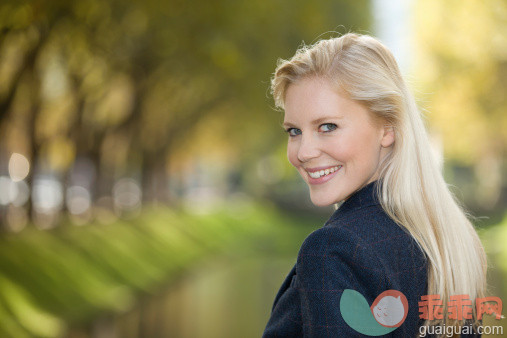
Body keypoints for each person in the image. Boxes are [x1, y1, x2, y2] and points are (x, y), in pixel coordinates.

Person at [262, 33, 487, 337]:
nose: (303, 152)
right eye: (294, 131)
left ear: (387, 128)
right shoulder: (449, 243)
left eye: (327, 126)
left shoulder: (333, 250)